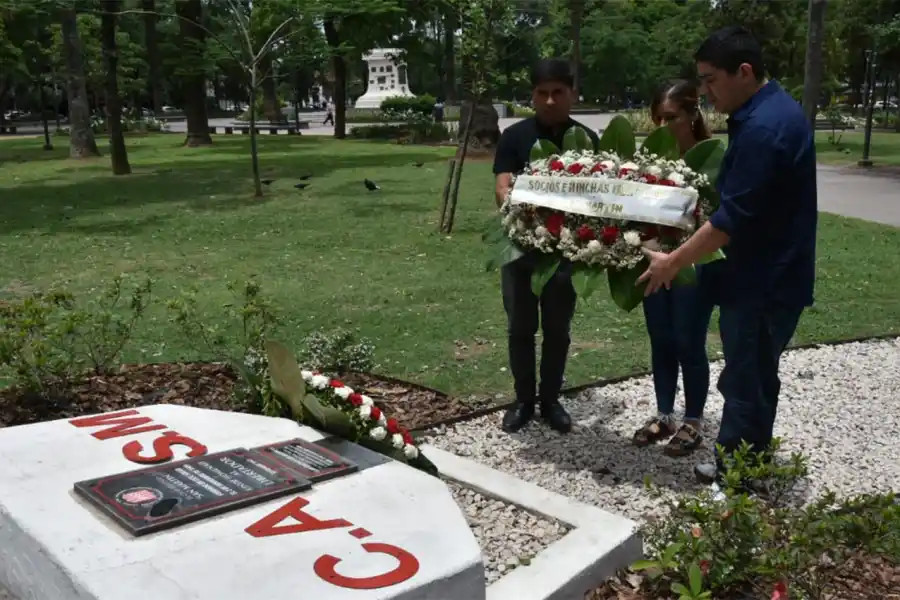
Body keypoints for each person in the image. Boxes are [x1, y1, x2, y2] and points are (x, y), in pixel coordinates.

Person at [637, 26, 817, 483]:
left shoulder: (764, 128)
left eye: (711, 79)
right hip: (771, 277)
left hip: (763, 282)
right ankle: (749, 465)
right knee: (756, 376)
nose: (705, 92)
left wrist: (672, 261)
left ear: (744, 71)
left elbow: (731, 219)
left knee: (744, 381)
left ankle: (735, 478)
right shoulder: (771, 111)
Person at [492, 58, 600, 434]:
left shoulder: (587, 140)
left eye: (558, 92)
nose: (550, 101)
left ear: (572, 94)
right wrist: (528, 214)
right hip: (520, 250)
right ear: (532, 96)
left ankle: (551, 400)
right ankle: (523, 401)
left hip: (566, 256)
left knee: (557, 329)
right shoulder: (515, 137)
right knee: (520, 327)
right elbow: (502, 188)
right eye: (542, 93)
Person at [631, 79, 716, 457]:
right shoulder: (649, 163)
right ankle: (665, 414)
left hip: (694, 265)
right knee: (661, 337)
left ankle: (694, 420)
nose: (665, 127)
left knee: (687, 340)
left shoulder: (711, 158)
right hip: (654, 261)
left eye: (673, 118)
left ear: (693, 114)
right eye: (658, 119)